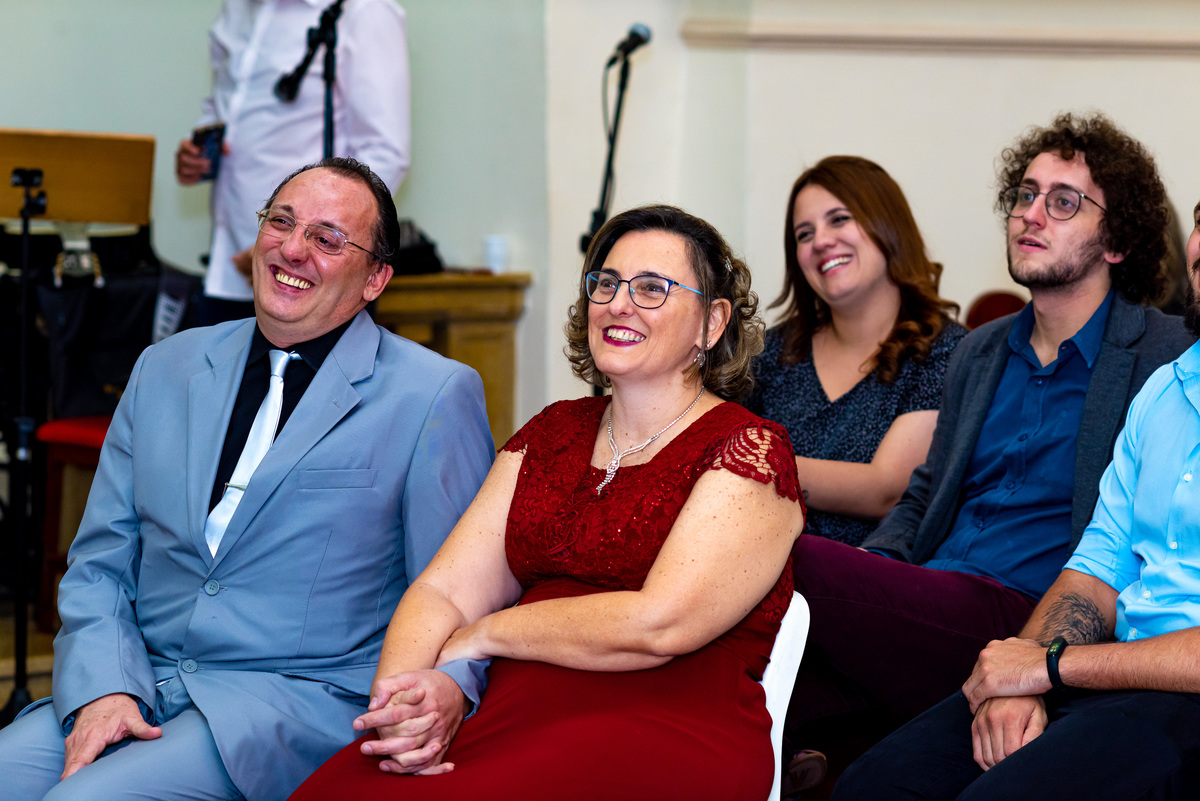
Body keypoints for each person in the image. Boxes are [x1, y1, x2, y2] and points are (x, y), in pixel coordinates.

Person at [0, 158, 494, 801]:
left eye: (326, 238)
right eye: (280, 222)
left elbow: (461, 587)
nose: (292, 248)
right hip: (139, 682)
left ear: (376, 278)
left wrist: (454, 686)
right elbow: (99, 563)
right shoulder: (166, 367)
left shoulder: (431, 395)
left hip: (291, 706)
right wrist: (106, 687)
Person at [289, 204, 805, 800]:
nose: (618, 303)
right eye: (606, 284)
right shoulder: (554, 431)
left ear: (711, 323)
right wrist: (407, 703)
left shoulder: (748, 448)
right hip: (508, 716)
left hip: (655, 728)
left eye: (652, 289)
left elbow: (657, 624)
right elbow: (443, 591)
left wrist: (483, 636)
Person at [783, 112, 1194, 797]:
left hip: (1027, 606)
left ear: (1118, 239)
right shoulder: (979, 348)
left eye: (1063, 202)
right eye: (1024, 195)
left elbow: (1106, 560)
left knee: (790, 556)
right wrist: (872, 573)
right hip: (935, 592)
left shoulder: (1164, 353)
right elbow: (924, 494)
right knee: (769, 666)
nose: (1031, 215)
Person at [748, 155, 965, 547]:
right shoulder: (774, 351)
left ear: (888, 224)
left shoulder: (946, 351)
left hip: (870, 583)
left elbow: (886, 491)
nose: (821, 242)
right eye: (804, 234)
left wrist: (750, 463)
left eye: (839, 219)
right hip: (753, 569)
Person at [176, 0, 410, 324]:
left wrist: (287, 245)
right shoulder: (238, 7)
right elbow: (225, 106)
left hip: (311, 274)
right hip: (229, 266)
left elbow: (386, 151)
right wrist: (198, 154)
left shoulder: (365, 11)